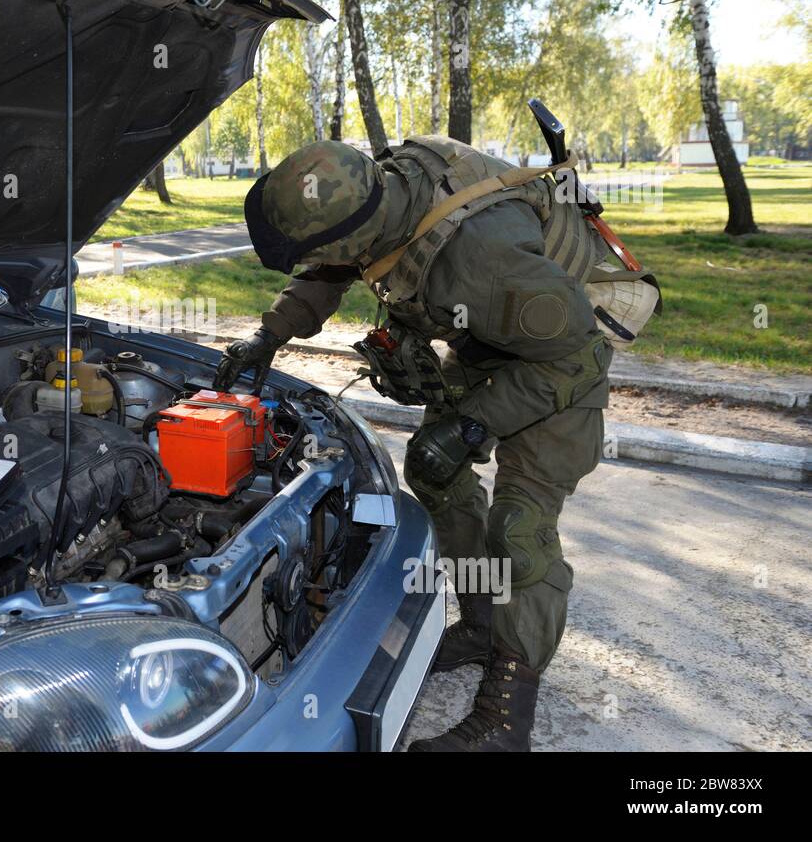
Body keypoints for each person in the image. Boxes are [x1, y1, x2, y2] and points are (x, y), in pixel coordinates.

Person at [214, 136, 628, 751]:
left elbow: (578, 357)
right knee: (436, 475)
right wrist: (270, 335)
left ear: (353, 238)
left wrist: (470, 424)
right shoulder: (374, 197)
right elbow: (329, 271)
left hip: (558, 366)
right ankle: (486, 623)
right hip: (488, 342)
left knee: (521, 528)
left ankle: (505, 719)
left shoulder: (483, 260)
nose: (326, 260)